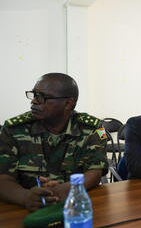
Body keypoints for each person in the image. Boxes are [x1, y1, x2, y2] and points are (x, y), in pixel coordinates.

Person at [0, 73, 108, 212]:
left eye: (42, 97)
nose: (33, 101)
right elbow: (3, 179)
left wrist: (66, 190)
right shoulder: (13, 129)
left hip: (75, 206)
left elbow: (95, 172)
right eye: (34, 95)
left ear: (68, 104)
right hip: (24, 210)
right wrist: (25, 197)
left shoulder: (94, 128)